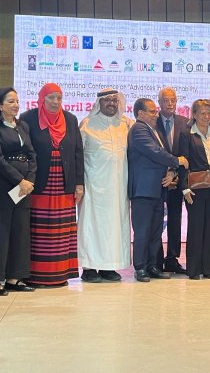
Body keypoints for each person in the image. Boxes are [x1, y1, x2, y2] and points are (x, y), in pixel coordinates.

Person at [20, 83, 84, 287]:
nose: (55, 102)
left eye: (59, 98)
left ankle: (60, 275)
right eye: (51, 98)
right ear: (42, 99)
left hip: (64, 183)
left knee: (61, 231)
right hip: (39, 183)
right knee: (40, 231)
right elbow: (25, 152)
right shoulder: (28, 118)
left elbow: (78, 152)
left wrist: (79, 183)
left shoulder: (70, 119)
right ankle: (36, 275)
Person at [0, 87, 37, 295]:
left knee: (20, 234)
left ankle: (15, 278)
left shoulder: (23, 126)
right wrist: (19, 180)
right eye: (10, 101)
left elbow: (32, 155)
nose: (16, 105)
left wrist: (29, 180)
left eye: (17, 101)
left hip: (23, 188)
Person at [127, 98, 188, 282]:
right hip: (143, 190)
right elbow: (155, 152)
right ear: (140, 114)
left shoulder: (152, 130)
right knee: (143, 231)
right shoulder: (139, 129)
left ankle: (153, 266)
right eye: (152, 111)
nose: (156, 114)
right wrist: (177, 161)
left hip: (156, 189)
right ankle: (140, 267)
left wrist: (171, 172)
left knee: (155, 231)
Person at [78, 89, 132, 283]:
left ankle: (109, 266)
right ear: (99, 103)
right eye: (107, 100)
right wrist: (79, 184)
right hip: (94, 186)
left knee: (115, 227)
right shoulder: (87, 124)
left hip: (119, 187)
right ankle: (89, 267)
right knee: (92, 226)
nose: (111, 104)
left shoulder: (126, 124)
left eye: (114, 100)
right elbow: (77, 155)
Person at [180, 100, 210, 280]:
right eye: (202, 113)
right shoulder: (187, 134)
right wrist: (184, 188)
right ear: (194, 115)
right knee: (196, 228)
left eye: (209, 113)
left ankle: (209, 268)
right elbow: (183, 163)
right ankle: (194, 269)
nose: (206, 116)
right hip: (196, 188)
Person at [156, 87, 190, 274]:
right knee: (156, 221)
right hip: (158, 181)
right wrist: (166, 173)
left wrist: (175, 175)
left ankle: (172, 259)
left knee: (175, 220)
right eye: (166, 100)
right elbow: (152, 153)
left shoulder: (185, 122)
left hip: (177, 181)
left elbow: (187, 153)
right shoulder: (152, 122)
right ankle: (156, 259)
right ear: (159, 102)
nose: (170, 104)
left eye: (173, 100)